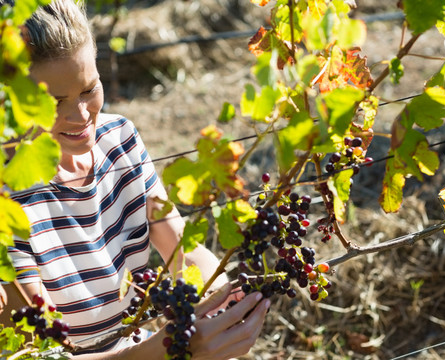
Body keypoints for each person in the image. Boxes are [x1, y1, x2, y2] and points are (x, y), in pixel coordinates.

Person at [0, 0, 269, 358]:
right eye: (54, 102)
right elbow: (41, 354)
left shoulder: (119, 138)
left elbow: (182, 252)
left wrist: (225, 300)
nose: (80, 115)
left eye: (88, 90)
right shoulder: (7, 202)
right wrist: (164, 351)